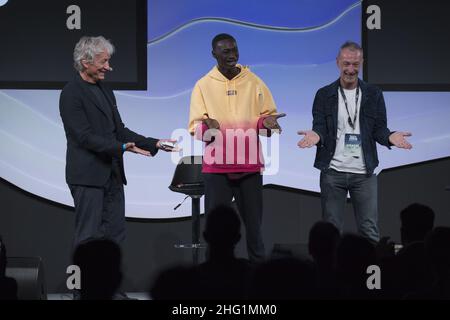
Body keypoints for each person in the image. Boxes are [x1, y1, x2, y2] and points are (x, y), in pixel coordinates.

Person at [59, 36, 176, 248]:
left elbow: (119, 130)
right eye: (103, 62)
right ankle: (89, 281)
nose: (108, 67)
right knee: (88, 239)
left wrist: (154, 143)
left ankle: (109, 281)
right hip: (88, 178)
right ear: (86, 62)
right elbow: (84, 137)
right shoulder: (71, 93)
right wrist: (120, 148)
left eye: (108, 61)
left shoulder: (105, 89)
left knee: (115, 238)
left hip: (112, 175)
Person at [297, 41, 412, 243]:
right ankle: (332, 274)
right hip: (332, 172)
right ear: (337, 63)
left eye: (355, 64)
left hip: (364, 174)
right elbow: (320, 127)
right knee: (330, 233)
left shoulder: (373, 93)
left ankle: (370, 274)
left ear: (362, 63)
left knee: (369, 231)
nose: (350, 69)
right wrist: (316, 136)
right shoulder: (324, 94)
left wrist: (390, 137)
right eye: (346, 64)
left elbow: (379, 129)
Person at [188, 33, 284, 263]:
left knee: (254, 228)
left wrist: (266, 124)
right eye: (225, 51)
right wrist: (208, 126)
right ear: (214, 54)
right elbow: (195, 127)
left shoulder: (255, 81)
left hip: (249, 165)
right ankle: (215, 278)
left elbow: (266, 118)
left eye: (234, 50)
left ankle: (258, 282)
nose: (231, 55)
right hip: (217, 168)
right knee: (216, 231)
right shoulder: (203, 85)